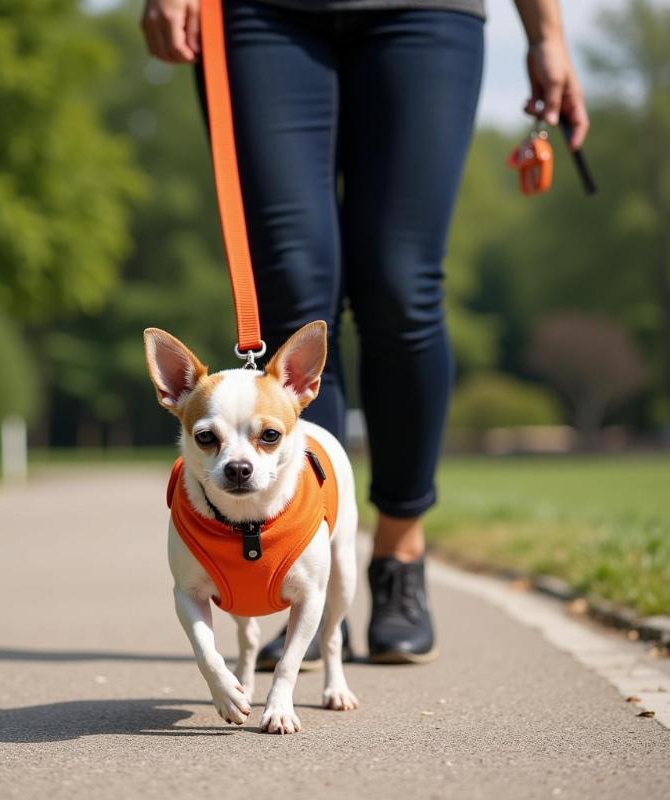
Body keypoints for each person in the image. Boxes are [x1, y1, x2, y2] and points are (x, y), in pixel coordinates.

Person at [141, 0, 589, 666]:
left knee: (401, 287)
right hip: (259, 16)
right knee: (295, 296)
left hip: (426, 14)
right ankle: (308, 569)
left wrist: (546, 33)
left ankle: (399, 555)